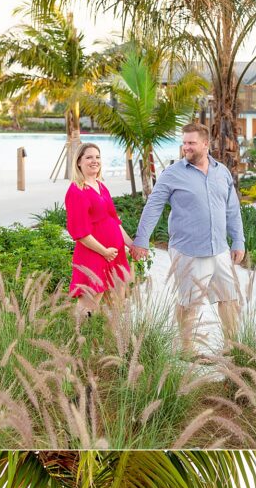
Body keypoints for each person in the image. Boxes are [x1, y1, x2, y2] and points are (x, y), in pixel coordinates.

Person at [131, 122, 245, 354]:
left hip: (220, 248)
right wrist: (141, 240)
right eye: (184, 143)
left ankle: (231, 344)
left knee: (230, 298)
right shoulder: (172, 174)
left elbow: (232, 209)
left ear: (205, 144)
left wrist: (238, 240)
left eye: (191, 143)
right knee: (189, 301)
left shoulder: (221, 172)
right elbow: (153, 207)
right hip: (188, 250)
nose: (186, 147)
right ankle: (187, 348)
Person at [64, 143, 134, 298]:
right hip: (94, 253)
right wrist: (104, 252)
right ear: (79, 162)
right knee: (90, 302)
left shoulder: (101, 186)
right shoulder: (76, 191)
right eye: (89, 157)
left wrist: (131, 245)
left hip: (114, 253)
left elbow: (114, 220)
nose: (94, 160)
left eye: (97, 157)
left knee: (118, 301)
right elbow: (80, 233)